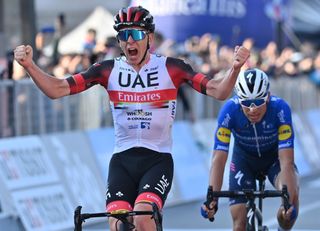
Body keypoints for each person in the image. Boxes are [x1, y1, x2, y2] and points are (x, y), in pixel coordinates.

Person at [14, 6, 250, 231]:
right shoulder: (107, 70)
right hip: (122, 161)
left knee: (143, 216)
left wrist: (235, 68)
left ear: (149, 37)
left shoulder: (172, 68)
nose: (129, 41)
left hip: (157, 159)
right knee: (118, 224)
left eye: (136, 34)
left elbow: (218, 91)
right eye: (124, 35)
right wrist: (29, 66)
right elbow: (58, 89)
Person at [201, 68, 299, 231]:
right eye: (246, 103)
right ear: (239, 99)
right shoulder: (229, 112)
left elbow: (286, 161)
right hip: (243, 161)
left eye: (258, 102)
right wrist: (212, 199)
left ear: (267, 97)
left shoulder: (280, 110)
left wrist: (286, 201)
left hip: (274, 160)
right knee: (239, 224)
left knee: (289, 204)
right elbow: (218, 159)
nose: (252, 109)